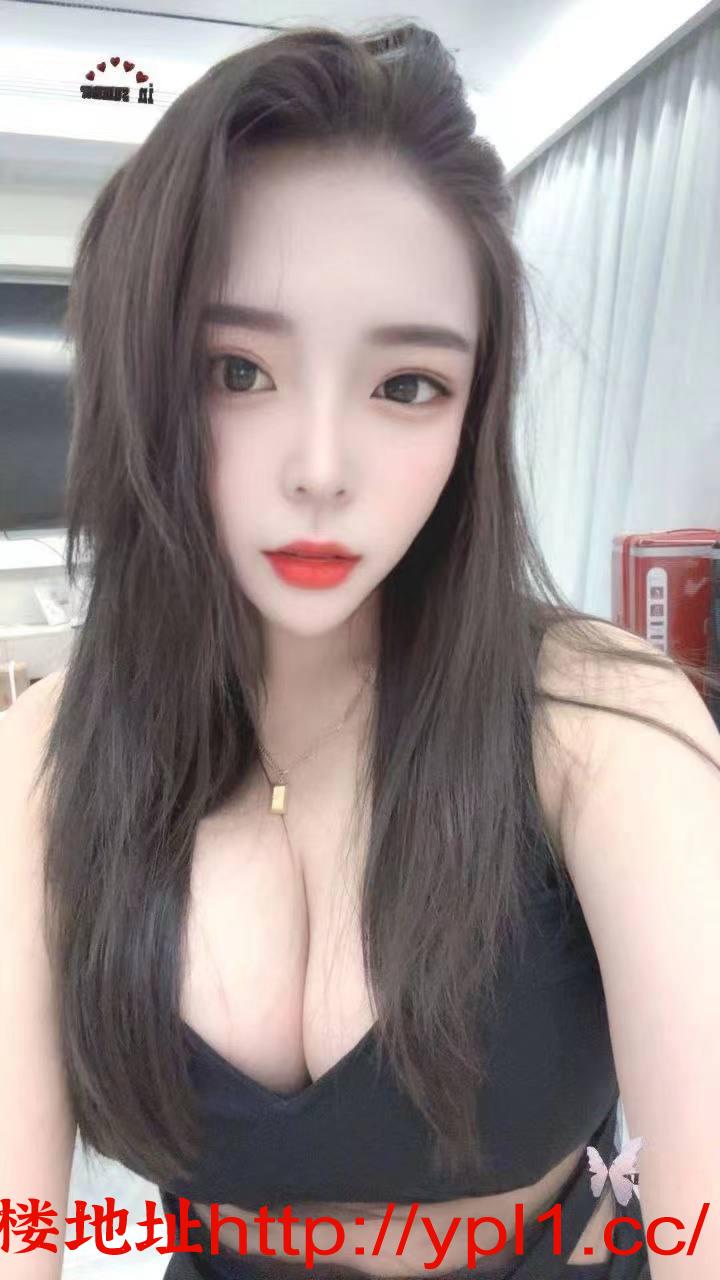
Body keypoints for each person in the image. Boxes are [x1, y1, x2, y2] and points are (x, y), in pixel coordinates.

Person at [2, 21, 719, 1280]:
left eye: (406, 386)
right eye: (237, 369)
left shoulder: (602, 730)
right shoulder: (44, 762)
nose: (322, 469)